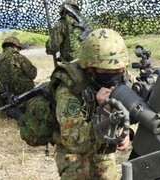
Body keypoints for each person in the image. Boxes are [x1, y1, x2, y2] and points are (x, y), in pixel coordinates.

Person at [48, 28, 132, 179]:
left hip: (103, 146)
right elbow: (73, 141)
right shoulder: (70, 87)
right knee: (78, 171)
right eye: (106, 72)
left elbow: (136, 109)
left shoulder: (124, 77)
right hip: (73, 149)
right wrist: (104, 116)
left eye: (118, 70)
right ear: (90, 68)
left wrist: (128, 131)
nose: (114, 77)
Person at [0, 36, 37, 117]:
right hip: (19, 90)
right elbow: (32, 74)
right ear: (14, 46)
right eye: (18, 48)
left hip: (5, 92)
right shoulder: (17, 56)